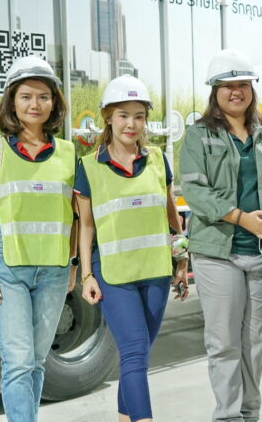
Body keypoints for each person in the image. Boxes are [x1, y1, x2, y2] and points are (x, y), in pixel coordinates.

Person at [179, 49, 262, 422]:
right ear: (214, 91)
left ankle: (250, 413)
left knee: (256, 343)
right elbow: (195, 192)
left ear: (252, 89)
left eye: (243, 84)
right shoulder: (199, 135)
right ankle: (229, 416)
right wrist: (241, 218)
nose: (236, 92)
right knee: (224, 344)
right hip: (218, 253)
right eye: (227, 86)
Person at [0, 56, 78, 422]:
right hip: (7, 269)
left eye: (44, 96)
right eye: (26, 96)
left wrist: (73, 264)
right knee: (17, 362)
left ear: (54, 102)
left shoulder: (69, 153)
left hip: (53, 271)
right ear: (12, 102)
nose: (35, 104)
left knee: (35, 362)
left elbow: (76, 216)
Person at [75, 75, 188, 422]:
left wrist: (182, 260)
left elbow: (171, 214)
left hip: (156, 272)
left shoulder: (157, 160)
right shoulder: (89, 167)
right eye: (123, 115)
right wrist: (86, 275)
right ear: (108, 117)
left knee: (136, 356)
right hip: (114, 275)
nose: (131, 124)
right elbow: (86, 226)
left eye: (139, 116)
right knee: (135, 353)